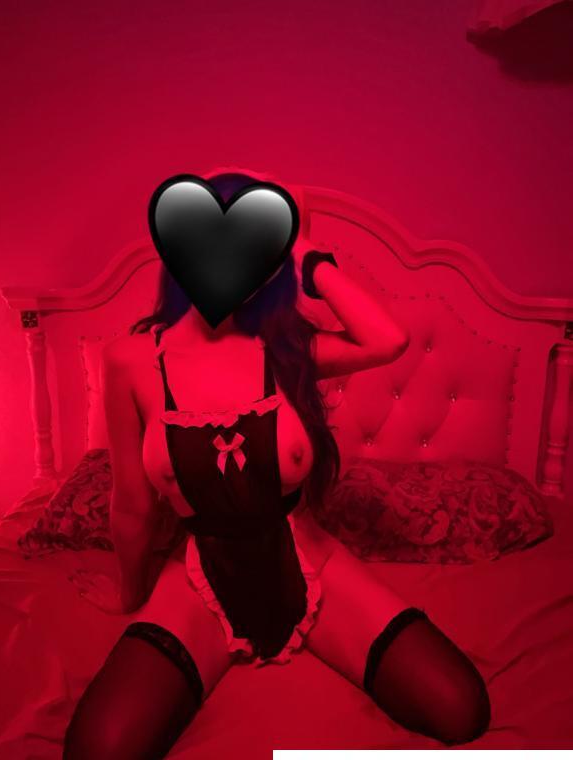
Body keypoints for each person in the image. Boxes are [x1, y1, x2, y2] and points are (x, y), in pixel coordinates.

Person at [63, 171, 491, 759]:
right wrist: (129, 595)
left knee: (459, 707)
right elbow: (133, 507)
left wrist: (306, 256)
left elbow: (387, 340)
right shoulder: (132, 361)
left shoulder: (288, 350)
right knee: (99, 748)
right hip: (199, 578)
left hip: (309, 564)